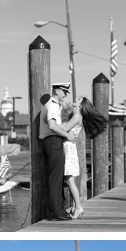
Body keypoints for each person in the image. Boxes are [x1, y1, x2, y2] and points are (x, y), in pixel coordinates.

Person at [60, 96, 110, 219]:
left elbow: (65, 129)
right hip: (68, 147)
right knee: (69, 180)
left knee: (70, 181)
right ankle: (73, 206)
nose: (75, 99)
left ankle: (78, 207)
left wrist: (50, 124)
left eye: (78, 99)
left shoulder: (77, 116)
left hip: (68, 148)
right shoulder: (75, 115)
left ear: (80, 105)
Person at [39, 83, 77, 221]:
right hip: (53, 141)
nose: (67, 94)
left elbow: (55, 125)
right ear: (58, 91)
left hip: (52, 142)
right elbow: (52, 125)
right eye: (65, 92)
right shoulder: (53, 105)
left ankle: (58, 209)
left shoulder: (53, 105)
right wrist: (67, 135)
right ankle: (56, 212)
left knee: (57, 177)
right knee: (56, 178)